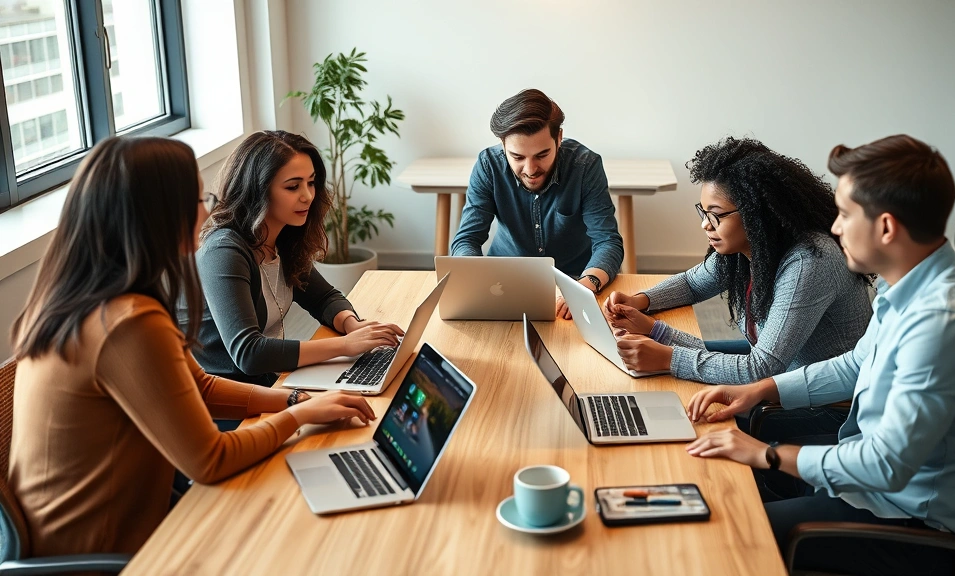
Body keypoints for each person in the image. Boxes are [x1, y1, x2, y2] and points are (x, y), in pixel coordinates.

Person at [8, 136, 378, 557]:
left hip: (125, 515)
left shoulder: (101, 299)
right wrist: (296, 415)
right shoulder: (125, 322)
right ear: (154, 213)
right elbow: (209, 461)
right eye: (195, 197)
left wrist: (293, 398)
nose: (206, 211)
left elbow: (201, 386)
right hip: (106, 549)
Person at [686, 135, 955, 575]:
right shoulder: (912, 280)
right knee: (716, 477)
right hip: (868, 483)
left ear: (885, 227)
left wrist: (765, 453)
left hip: (907, 526)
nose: (835, 228)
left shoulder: (943, 323)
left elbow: (885, 465)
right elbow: (858, 363)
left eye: (844, 215)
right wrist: (761, 389)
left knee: (727, 530)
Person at [604, 138, 871, 441]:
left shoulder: (809, 261)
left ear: (756, 213)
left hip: (829, 409)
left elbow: (758, 370)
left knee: (696, 419)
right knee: (683, 392)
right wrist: (641, 302)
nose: (706, 225)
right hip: (781, 374)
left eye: (716, 214)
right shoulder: (750, 249)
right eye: (703, 212)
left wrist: (668, 358)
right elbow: (692, 283)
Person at [184, 130, 403, 387]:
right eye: (293, 186)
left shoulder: (283, 238)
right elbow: (248, 354)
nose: (308, 195)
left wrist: (352, 325)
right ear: (257, 190)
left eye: (311, 183)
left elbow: (324, 297)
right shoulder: (223, 253)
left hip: (267, 381)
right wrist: (345, 345)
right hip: (226, 396)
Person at [450, 88, 624, 319]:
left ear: (559, 138)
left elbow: (608, 241)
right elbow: (467, 239)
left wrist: (585, 285)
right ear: (503, 145)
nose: (531, 170)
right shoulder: (488, 165)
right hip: (503, 284)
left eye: (542, 155)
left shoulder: (585, 165)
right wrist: (477, 279)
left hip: (577, 280)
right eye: (518, 157)